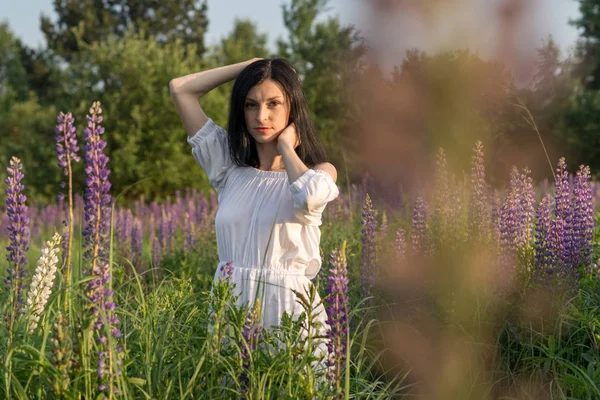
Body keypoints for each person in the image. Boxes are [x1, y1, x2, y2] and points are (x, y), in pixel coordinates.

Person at [169, 57, 339, 368]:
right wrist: (250, 66)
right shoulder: (229, 169)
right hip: (231, 308)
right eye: (250, 105)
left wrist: (287, 148)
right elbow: (180, 89)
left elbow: (309, 198)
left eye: (274, 103)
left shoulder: (317, 173)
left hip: (289, 312)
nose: (261, 115)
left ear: (293, 109)